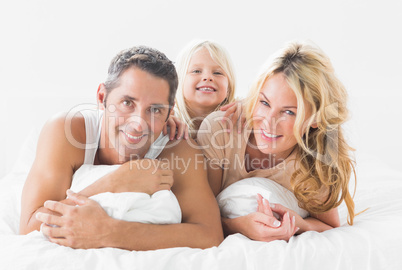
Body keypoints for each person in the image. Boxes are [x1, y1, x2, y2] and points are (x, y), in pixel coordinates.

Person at [20, 46, 223, 250]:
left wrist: (111, 233)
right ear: (102, 98)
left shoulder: (177, 148)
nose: (138, 123)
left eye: (155, 110)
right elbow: (29, 227)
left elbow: (209, 234)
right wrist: (114, 182)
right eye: (127, 103)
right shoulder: (67, 131)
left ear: (169, 113)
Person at [197, 41, 356, 242]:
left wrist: (300, 224)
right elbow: (202, 216)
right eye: (264, 102)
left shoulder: (315, 164)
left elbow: (330, 225)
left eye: (289, 112)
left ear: (315, 119)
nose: (269, 122)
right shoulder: (220, 130)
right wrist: (238, 226)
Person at [174, 40, 237, 139]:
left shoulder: (238, 118)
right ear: (179, 80)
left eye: (217, 73)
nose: (207, 77)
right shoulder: (168, 120)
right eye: (196, 71)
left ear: (229, 86)